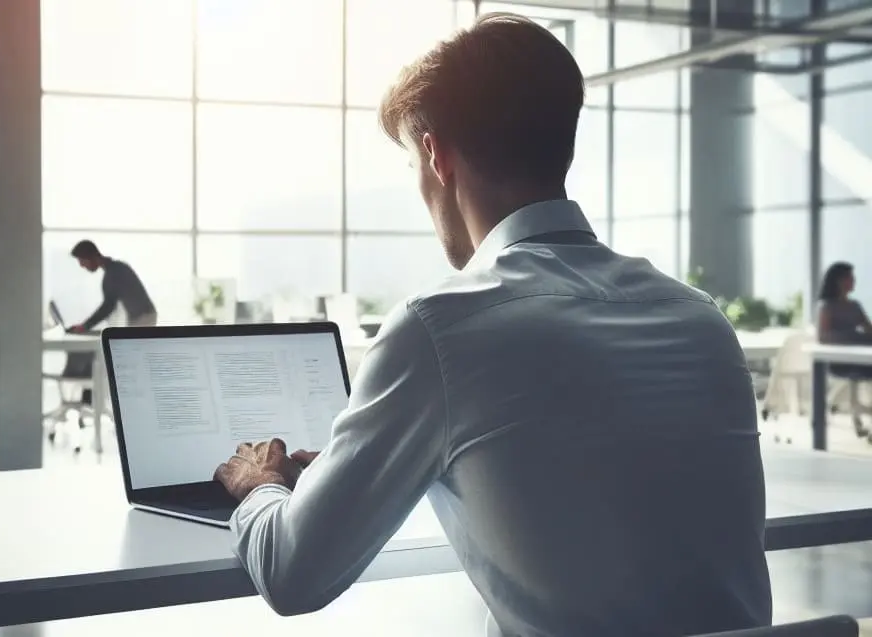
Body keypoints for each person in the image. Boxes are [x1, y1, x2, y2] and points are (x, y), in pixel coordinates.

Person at [214, 13, 772, 637]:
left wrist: (261, 484)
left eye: (412, 166)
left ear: (436, 155)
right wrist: (355, 469)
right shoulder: (700, 320)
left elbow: (292, 573)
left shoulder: (440, 327)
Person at [816, 261, 872, 437]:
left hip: (862, 359)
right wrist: (853, 337)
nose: (854, 281)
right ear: (839, 281)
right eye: (850, 278)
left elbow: (869, 330)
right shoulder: (826, 307)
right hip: (840, 362)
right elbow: (823, 337)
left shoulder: (855, 306)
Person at [68, 240, 157, 332]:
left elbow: (108, 306)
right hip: (143, 316)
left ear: (92, 256)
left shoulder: (112, 274)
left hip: (142, 317)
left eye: (82, 260)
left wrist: (85, 326)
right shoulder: (117, 267)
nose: (81, 265)